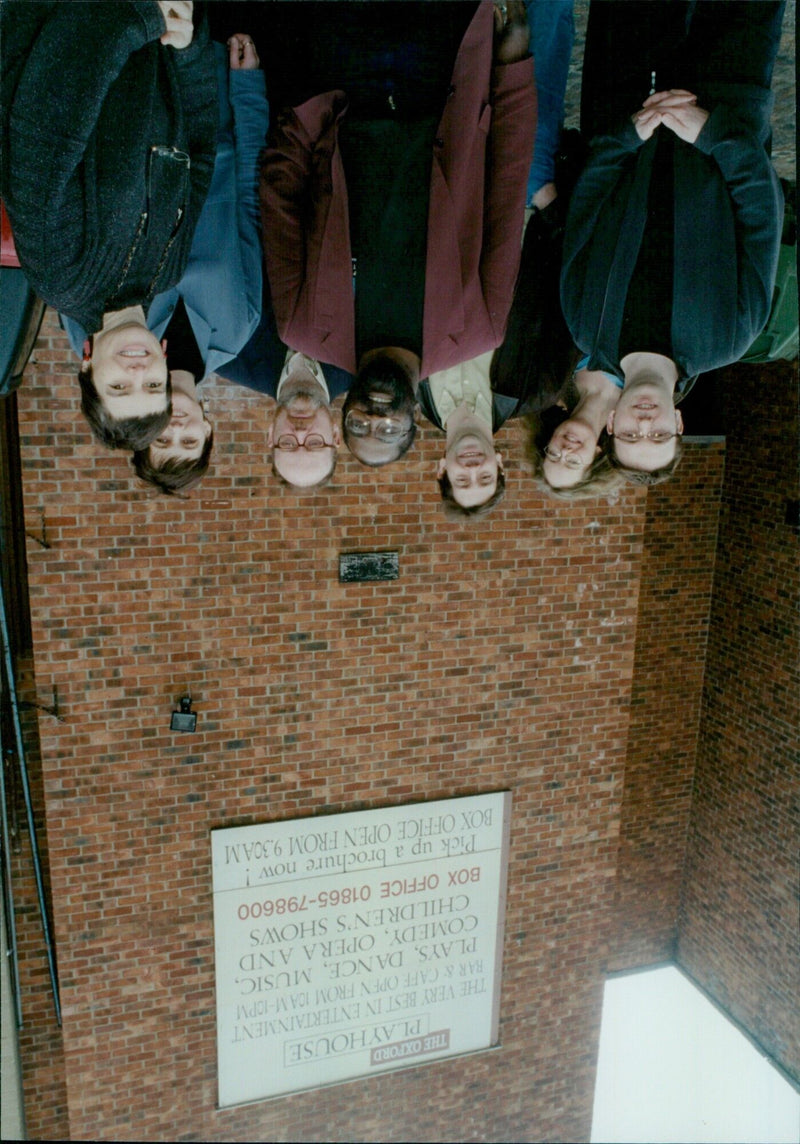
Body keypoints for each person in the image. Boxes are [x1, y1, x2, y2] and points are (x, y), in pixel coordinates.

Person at [260, 1, 536, 468]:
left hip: (340, 78)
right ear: (415, 421)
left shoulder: (303, 327)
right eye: (388, 431)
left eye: (358, 426)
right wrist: (512, 66)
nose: (374, 416)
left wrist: (312, 118)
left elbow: (280, 197)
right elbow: (507, 189)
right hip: (446, 82)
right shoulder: (478, 330)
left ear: (342, 412)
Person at [561, 0, 785, 483]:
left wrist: (623, 137)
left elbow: (584, 209)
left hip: (625, 94)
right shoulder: (731, 337)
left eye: (632, 435)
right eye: (660, 435)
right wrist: (714, 134)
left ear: (612, 425)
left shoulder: (584, 326)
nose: (646, 423)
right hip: (727, 97)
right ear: (679, 422)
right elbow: (763, 214)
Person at [1, 1, 218, 450]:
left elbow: (48, 116)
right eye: (153, 387)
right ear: (164, 360)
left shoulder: (61, 275)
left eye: (118, 387)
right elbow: (200, 148)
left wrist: (140, 17)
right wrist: (189, 49)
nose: (137, 374)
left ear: (87, 363)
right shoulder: (167, 271)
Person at [63, 33, 269, 490]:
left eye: (163, 440)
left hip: (133, 118)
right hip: (212, 114)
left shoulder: (98, 340)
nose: (177, 429)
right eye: (189, 441)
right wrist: (247, 92)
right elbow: (250, 204)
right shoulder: (238, 330)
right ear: (209, 429)